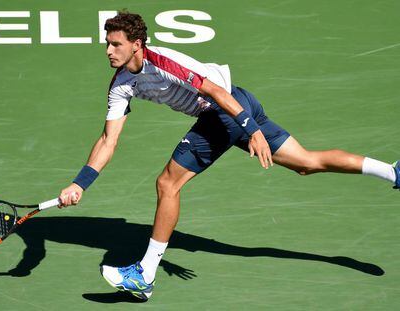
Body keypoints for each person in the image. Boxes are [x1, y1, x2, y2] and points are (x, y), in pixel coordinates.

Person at [58, 11, 399, 300]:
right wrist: (80, 184)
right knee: (307, 164)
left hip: (225, 111)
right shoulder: (121, 84)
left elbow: (214, 91)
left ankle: (145, 274)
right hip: (240, 102)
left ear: (137, 44)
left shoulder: (163, 62)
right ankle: (393, 173)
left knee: (167, 184)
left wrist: (251, 130)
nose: (108, 50)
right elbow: (108, 140)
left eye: (115, 43)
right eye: (107, 43)